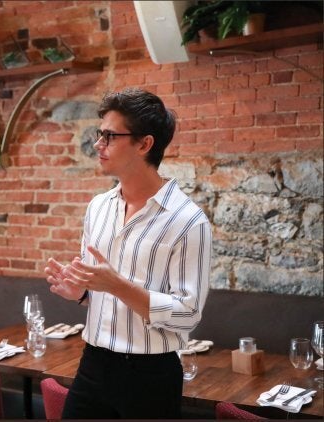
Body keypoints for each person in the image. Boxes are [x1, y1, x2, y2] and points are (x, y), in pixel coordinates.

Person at [45, 87, 211, 419]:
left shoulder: (189, 220)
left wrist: (117, 286)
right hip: (93, 363)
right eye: (99, 134)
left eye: (109, 136)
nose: (97, 144)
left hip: (150, 376)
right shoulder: (98, 208)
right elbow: (100, 290)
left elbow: (188, 315)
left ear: (144, 144)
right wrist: (82, 294)